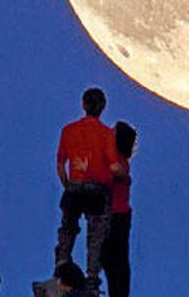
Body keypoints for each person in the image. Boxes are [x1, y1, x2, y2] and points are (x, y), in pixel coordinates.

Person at [55, 88, 123, 291]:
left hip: (74, 187)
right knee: (96, 235)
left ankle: (60, 267)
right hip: (98, 190)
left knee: (68, 229)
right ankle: (92, 278)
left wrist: (67, 183)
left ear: (83, 104)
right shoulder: (107, 134)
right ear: (102, 108)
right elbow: (113, 165)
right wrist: (124, 177)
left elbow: (60, 164)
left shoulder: (68, 130)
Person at [101, 121, 137, 297]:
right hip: (120, 214)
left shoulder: (117, 163)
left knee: (111, 259)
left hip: (115, 215)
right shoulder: (121, 162)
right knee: (117, 260)